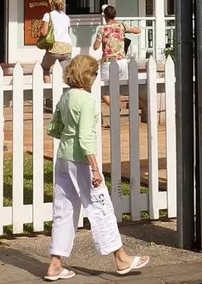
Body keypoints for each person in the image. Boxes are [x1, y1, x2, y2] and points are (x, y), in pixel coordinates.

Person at [42, 55, 150, 281]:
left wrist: (68, 135)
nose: (94, 78)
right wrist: (95, 168)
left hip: (63, 158)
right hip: (82, 161)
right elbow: (84, 138)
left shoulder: (66, 96)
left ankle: (55, 264)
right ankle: (121, 258)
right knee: (100, 207)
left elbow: (54, 128)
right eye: (93, 74)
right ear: (87, 75)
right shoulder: (88, 100)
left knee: (64, 211)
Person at [38, 0, 73, 113]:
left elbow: (44, 32)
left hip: (54, 48)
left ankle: (50, 99)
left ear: (51, 4)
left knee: (45, 68)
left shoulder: (48, 15)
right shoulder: (66, 17)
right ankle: (67, 98)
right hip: (67, 48)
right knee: (67, 74)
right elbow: (67, 32)